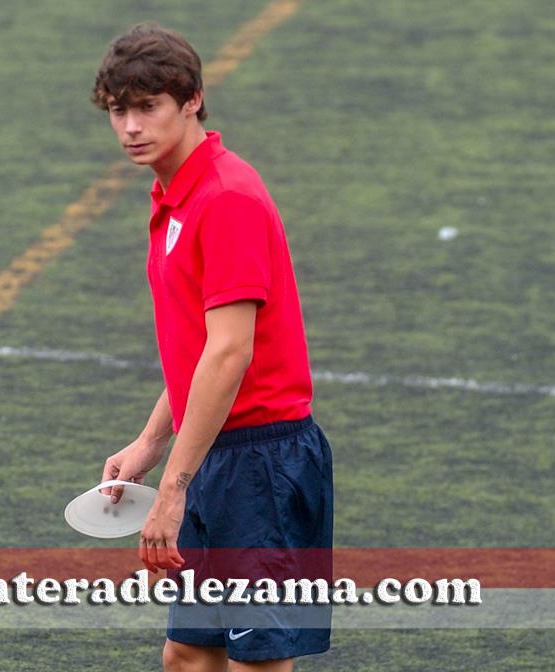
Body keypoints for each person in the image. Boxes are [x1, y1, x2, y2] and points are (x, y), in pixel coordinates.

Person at [91, 24, 334, 671]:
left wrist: (174, 489)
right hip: (219, 454)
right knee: (190, 656)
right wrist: (149, 441)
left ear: (193, 99)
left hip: (260, 464)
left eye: (148, 107)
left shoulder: (225, 199)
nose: (131, 127)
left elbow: (230, 354)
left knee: (257, 662)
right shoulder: (173, 193)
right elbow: (199, 349)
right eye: (119, 110)